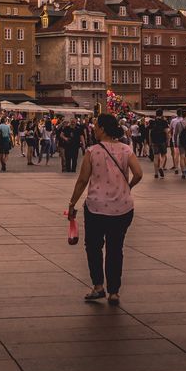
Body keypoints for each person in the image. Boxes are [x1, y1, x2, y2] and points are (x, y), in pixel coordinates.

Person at [67, 113, 142, 305]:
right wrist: (128, 187)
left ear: (102, 128)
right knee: (115, 248)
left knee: (93, 247)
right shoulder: (126, 149)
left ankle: (98, 286)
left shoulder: (92, 151)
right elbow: (139, 173)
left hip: (96, 208)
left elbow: (83, 179)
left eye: (96, 126)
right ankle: (114, 292)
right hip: (122, 208)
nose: (93, 129)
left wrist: (72, 202)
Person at [147, 110, 169, 179]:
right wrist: (168, 140)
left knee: (156, 157)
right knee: (163, 155)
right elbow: (166, 132)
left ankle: (156, 173)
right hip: (162, 140)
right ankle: (161, 167)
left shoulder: (152, 122)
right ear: (162, 114)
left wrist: (150, 142)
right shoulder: (164, 122)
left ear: (156, 114)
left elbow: (150, 133)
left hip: (154, 141)